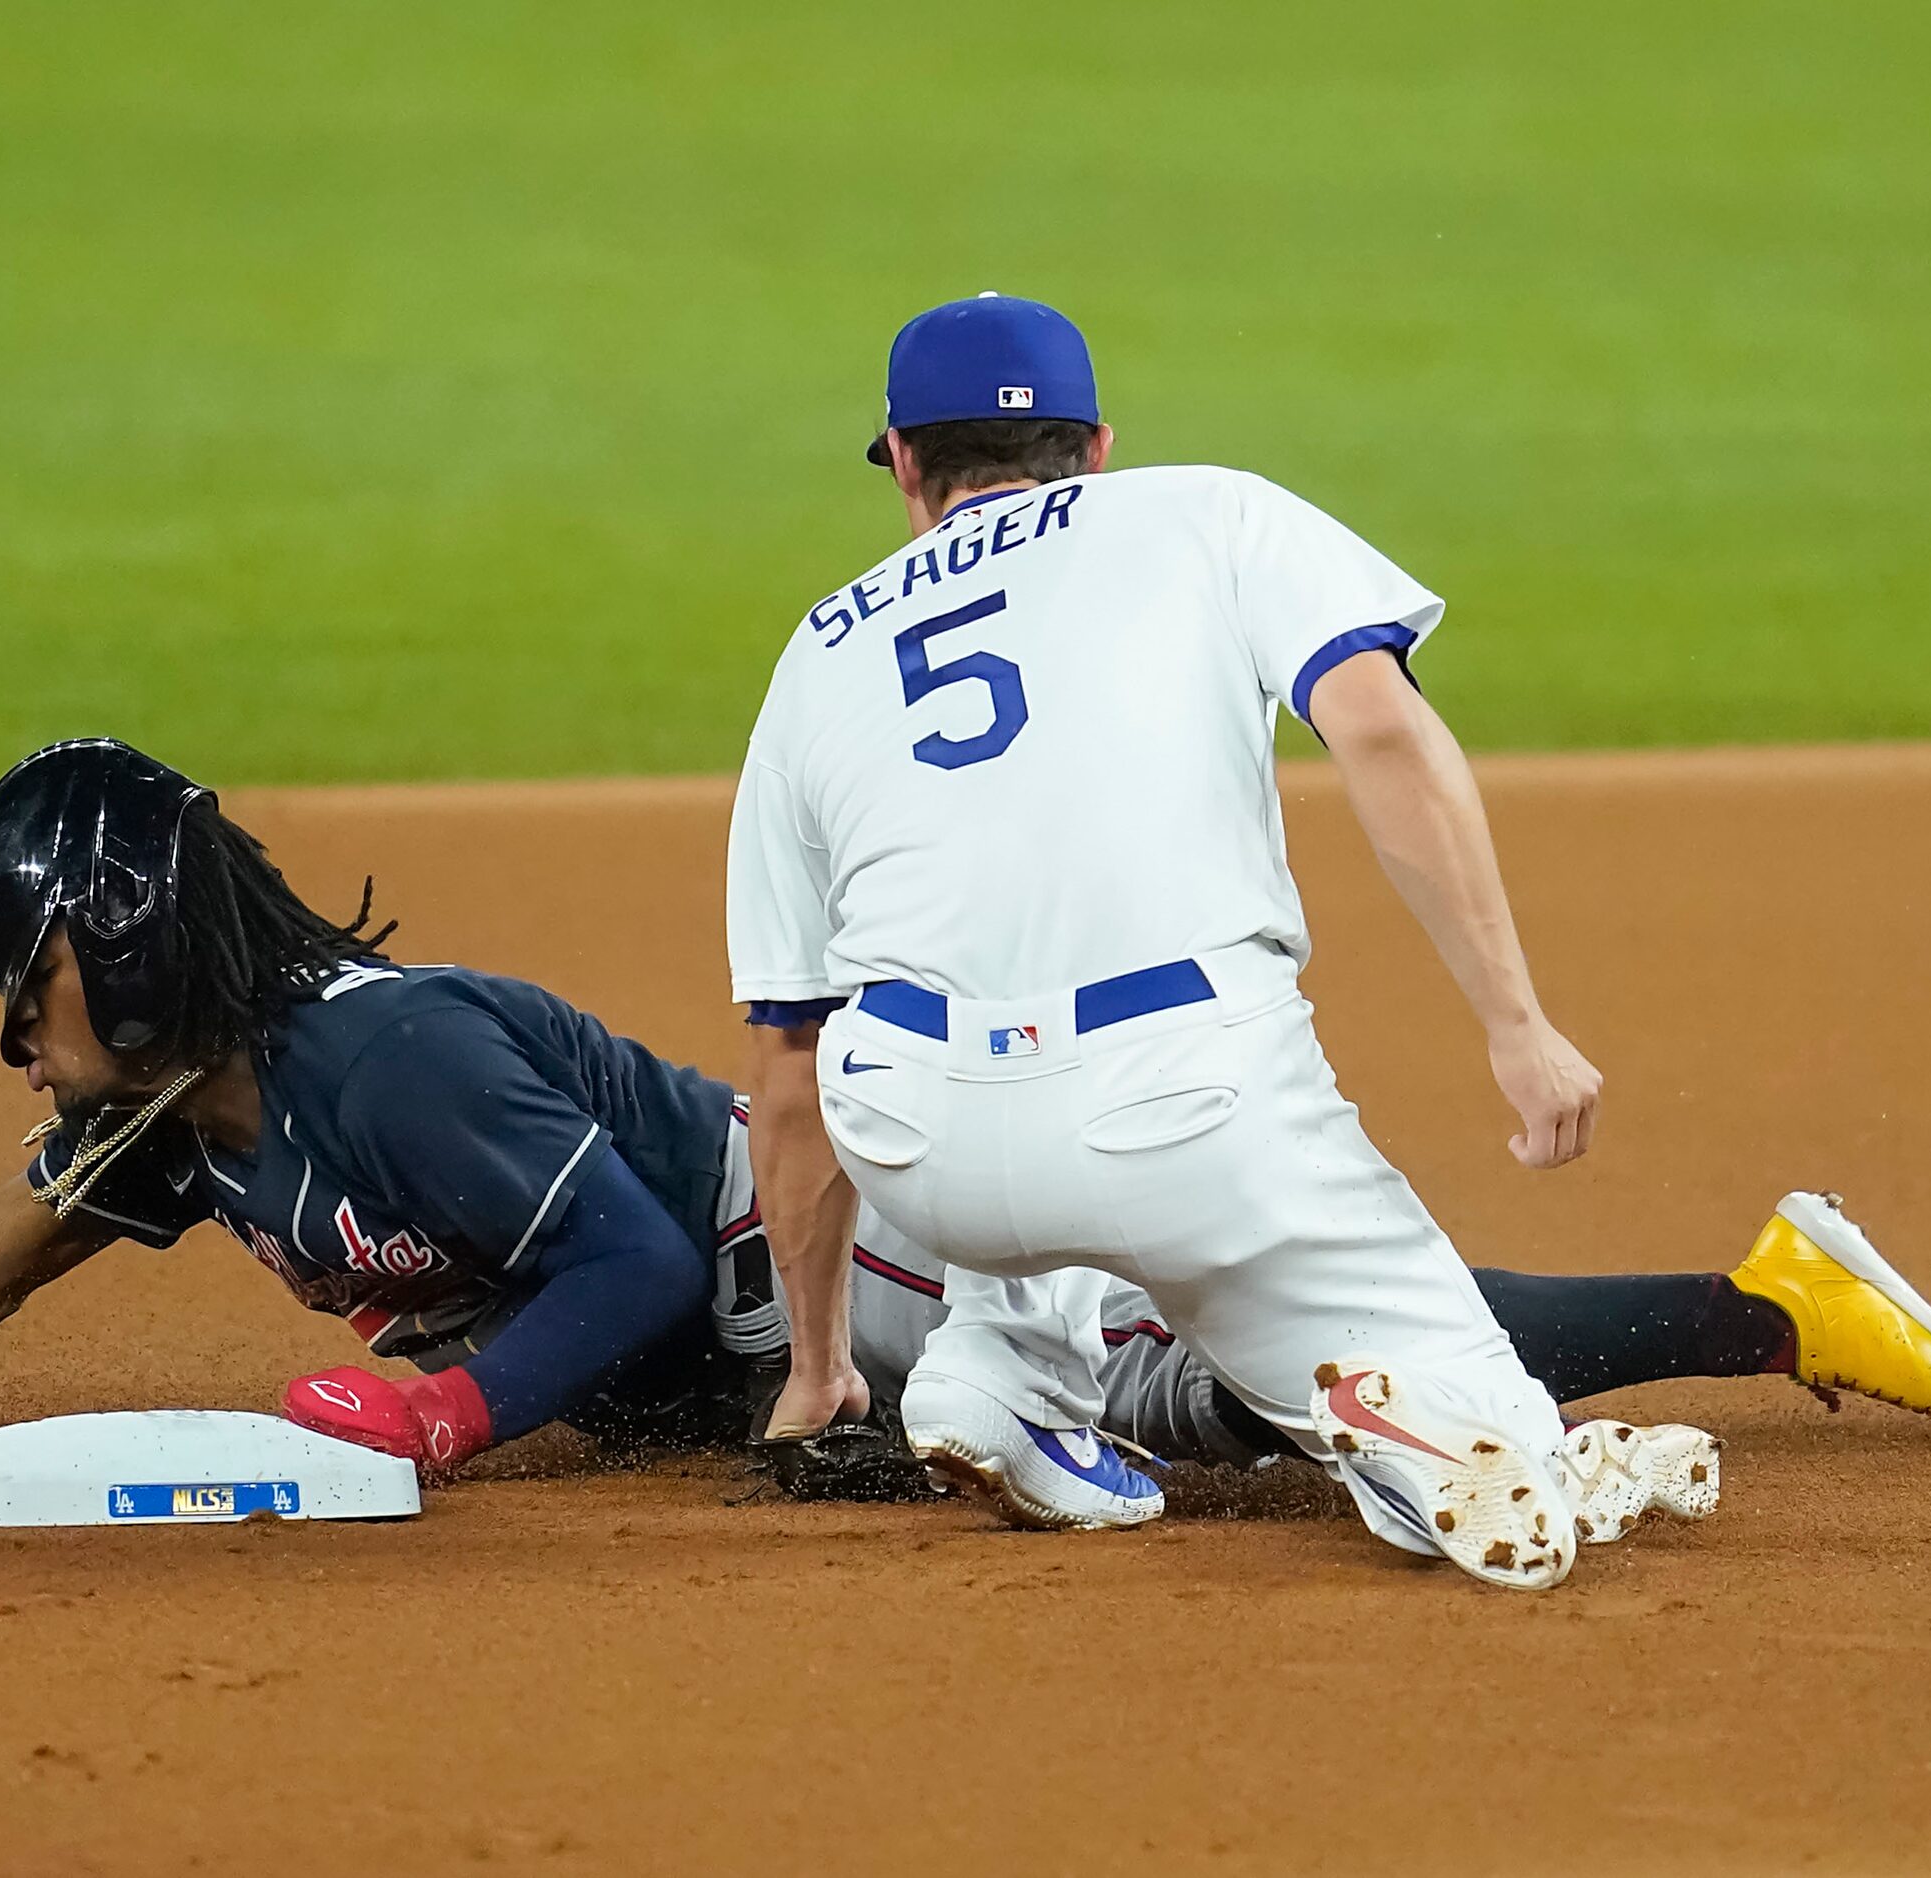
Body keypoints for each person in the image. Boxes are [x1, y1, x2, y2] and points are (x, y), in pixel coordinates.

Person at [0, 742, 1931, 1526]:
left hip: (874, 1279)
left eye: (18, 979)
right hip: (784, 1351)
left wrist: (448, 1421)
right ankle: (1749, 1306)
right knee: (1277, 1387)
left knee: (1276, 1390)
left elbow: (608, 1280)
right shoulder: (182, 1119)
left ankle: (1763, 1301)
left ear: (124, 955)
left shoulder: (384, 1057)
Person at [727, 292, 1699, 1583]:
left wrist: (817, 1369)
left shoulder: (815, 650)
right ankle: (1419, 1417)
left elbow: (788, 1072)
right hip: (1182, 1112)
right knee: (1499, 1442)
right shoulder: (1207, 511)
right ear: (1097, 445)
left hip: (919, 1140)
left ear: (904, 464)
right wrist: (1513, 1023)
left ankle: (994, 1367)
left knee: (967, 1024)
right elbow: (1380, 731)